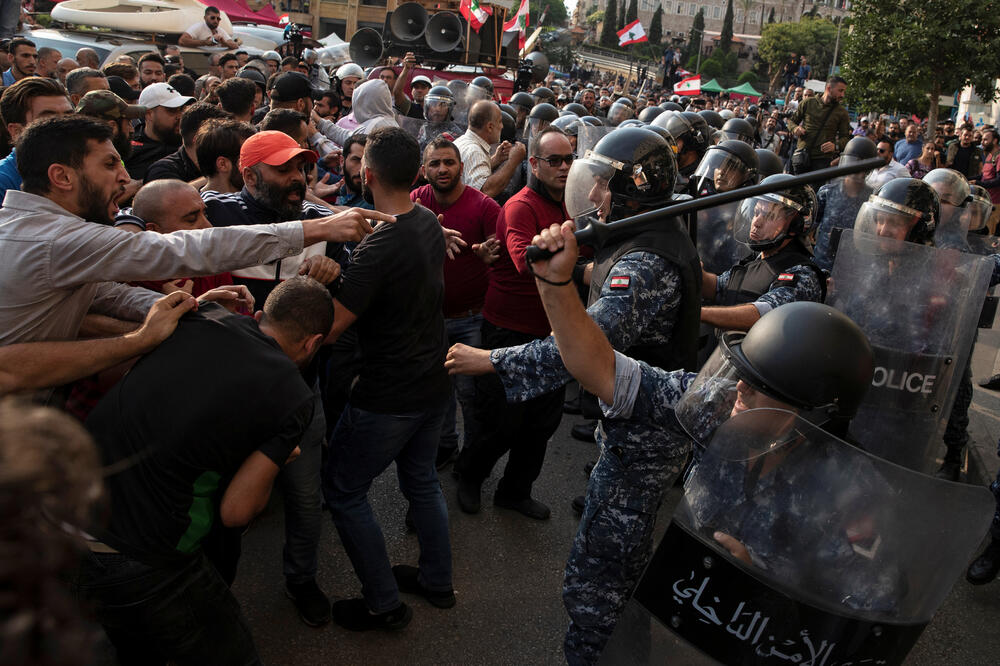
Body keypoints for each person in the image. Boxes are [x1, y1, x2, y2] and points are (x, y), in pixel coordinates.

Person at [447, 127, 701, 665]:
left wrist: (490, 360)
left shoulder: (643, 263)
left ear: (632, 190)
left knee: (598, 583)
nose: (594, 197)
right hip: (639, 420)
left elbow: (587, 350)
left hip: (645, 437)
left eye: (605, 187)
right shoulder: (647, 234)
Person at [0, 115, 388, 393]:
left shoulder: (43, 233)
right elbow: (190, 248)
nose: (123, 177)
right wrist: (142, 338)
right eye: (108, 164)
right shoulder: (52, 240)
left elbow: (100, 293)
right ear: (61, 177)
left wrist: (186, 307)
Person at [73, 277, 332, 664]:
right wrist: (278, 460)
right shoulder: (293, 396)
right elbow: (236, 511)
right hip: (144, 548)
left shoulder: (205, 314)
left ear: (261, 315)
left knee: (136, 644)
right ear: (312, 343)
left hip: (67, 512)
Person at [321, 127, 454, 631]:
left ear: (366, 174)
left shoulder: (381, 246)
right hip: (432, 379)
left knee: (344, 490)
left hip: (390, 393)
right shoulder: (424, 219)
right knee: (421, 479)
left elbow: (332, 328)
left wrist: (319, 280)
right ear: (418, 174)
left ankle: (383, 603)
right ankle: (437, 581)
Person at [454, 127, 573, 520]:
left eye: (569, 159)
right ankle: (469, 476)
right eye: (554, 160)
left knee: (541, 423)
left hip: (552, 331)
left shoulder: (572, 205)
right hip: (508, 328)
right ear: (534, 165)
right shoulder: (520, 206)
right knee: (501, 422)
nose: (564, 167)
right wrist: (582, 265)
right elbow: (525, 260)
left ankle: (514, 491)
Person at [412, 136, 501, 468]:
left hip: (471, 321)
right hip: (430, 321)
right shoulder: (415, 202)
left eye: (449, 162)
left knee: (472, 396)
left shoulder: (485, 207)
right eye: (434, 163)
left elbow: (503, 252)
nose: (442, 169)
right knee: (437, 393)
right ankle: (446, 445)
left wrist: (491, 253)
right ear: (424, 171)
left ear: (462, 167)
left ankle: (472, 463)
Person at [700, 174, 825, 332]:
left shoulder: (801, 275)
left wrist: (700, 314)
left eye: (769, 216)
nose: (756, 222)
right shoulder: (757, 259)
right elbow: (719, 288)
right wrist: (696, 273)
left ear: (795, 224)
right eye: (756, 212)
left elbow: (762, 315)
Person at [0, 76, 74, 200]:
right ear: (16, 131)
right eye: (50, 120)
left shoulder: (85, 168)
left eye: (69, 117)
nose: (65, 126)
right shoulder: (4, 181)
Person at [813, 136, 877, 271]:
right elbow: (811, 227)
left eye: (861, 166)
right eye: (852, 163)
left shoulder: (873, 199)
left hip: (852, 267)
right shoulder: (827, 193)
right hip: (822, 264)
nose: (855, 170)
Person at [454, 100, 525, 197]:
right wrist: (513, 161)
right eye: (500, 121)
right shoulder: (474, 151)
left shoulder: (463, 141)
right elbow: (484, 192)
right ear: (490, 127)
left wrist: (496, 159)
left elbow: (470, 173)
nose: (502, 126)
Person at [145, 102, 229, 184]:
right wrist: (221, 176)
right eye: (221, 136)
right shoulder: (162, 171)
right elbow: (176, 196)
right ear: (200, 140)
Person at [126, 82, 195, 181]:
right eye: (172, 110)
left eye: (182, 110)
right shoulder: (130, 149)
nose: (180, 116)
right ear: (149, 114)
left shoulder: (192, 143)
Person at [786, 76, 851, 174]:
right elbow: (791, 121)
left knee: (816, 188)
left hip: (822, 160)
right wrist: (795, 128)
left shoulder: (842, 113)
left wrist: (835, 146)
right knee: (796, 188)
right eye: (840, 91)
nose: (842, 95)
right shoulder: (807, 103)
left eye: (843, 92)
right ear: (829, 88)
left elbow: (845, 137)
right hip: (801, 157)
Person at [195, 118, 256, 195]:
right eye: (250, 158)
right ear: (222, 164)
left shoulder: (259, 200)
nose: (258, 164)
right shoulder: (196, 206)